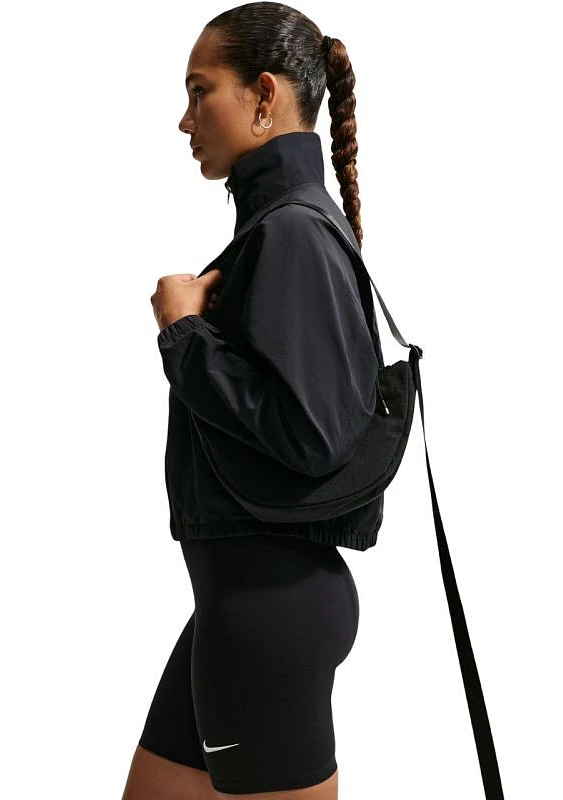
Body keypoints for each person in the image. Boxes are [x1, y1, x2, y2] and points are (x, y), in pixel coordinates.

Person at [123, 3, 385, 798]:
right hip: (243, 608)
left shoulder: (291, 232)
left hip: (265, 617)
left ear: (264, 95)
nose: (185, 120)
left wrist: (183, 334)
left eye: (200, 91)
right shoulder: (281, 226)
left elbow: (311, 434)